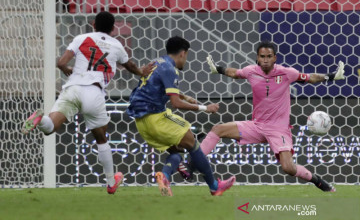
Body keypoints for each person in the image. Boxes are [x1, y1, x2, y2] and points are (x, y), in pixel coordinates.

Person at [183, 41, 345, 192]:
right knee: (217, 129)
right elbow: (234, 73)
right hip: (256, 126)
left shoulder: (287, 73)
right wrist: (217, 69)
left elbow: (310, 78)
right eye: (262, 56)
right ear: (257, 58)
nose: (266, 60)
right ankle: (191, 165)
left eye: (269, 56)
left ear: (274, 58)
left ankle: (317, 181)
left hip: (278, 130)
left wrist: (331, 76)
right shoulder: (251, 71)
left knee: (288, 168)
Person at [22, 11, 153, 194]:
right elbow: (129, 66)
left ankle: (40, 118)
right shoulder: (116, 45)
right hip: (94, 91)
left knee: (50, 126)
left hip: (73, 87)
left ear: (93, 25)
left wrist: (67, 69)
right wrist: (141, 72)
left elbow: (61, 62)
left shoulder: (82, 38)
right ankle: (110, 182)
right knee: (101, 138)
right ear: (113, 29)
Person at [126, 36, 236, 196]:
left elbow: (157, 86)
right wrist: (206, 108)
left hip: (141, 122)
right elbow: (176, 104)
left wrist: (184, 96)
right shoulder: (170, 69)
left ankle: (165, 176)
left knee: (176, 152)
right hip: (156, 118)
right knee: (192, 142)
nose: (185, 60)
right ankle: (214, 186)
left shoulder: (157, 62)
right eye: (187, 56)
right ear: (183, 53)